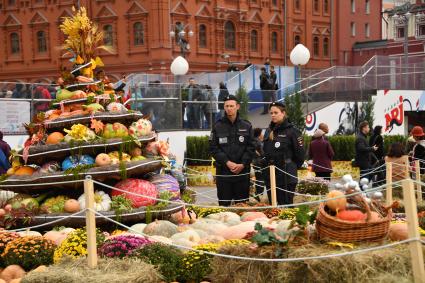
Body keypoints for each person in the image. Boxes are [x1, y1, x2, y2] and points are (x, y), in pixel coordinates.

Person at [209, 95, 255, 206]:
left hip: (242, 174)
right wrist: (227, 162)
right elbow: (213, 148)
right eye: (227, 106)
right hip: (224, 173)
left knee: (242, 207)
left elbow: (251, 147)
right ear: (224, 107)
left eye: (231, 106)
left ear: (237, 106)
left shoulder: (247, 125)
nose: (229, 108)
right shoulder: (217, 126)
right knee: (224, 207)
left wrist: (242, 164)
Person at [262, 102, 305, 205]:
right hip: (271, 174)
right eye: (271, 113)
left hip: (286, 175)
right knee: (273, 206)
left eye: (276, 112)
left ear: (283, 113)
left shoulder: (293, 131)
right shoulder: (268, 131)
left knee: (286, 205)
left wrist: (291, 166)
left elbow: (300, 155)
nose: (273, 115)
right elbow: (266, 151)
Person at [252, 128, 265, 199]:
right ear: (259, 134)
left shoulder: (253, 141)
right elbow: (262, 153)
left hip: (255, 162)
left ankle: (258, 193)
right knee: (260, 179)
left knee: (258, 178)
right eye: (262, 133)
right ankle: (259, 194)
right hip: (259, 163)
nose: (263, 135)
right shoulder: (258, 142)